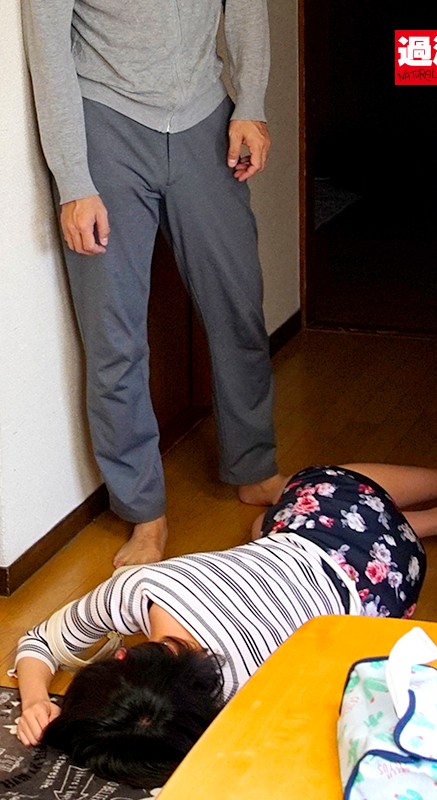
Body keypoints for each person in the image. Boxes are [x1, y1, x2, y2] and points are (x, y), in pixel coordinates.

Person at [15, 462, 437, 788]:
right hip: (338, 535)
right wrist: (39, 696)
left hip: (388, 589)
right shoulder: (141, 584)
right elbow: (40, 642)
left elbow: (38, 643)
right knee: (309, 490)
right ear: (121, 655)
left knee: (266, 526)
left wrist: (34, 699)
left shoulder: (244, 697)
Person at [21, 0, 284, 569]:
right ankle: (144, 513)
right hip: (105, 128)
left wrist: (251, 104)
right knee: (114, 336)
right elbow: (49, 53)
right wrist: (74, 181)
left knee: (238, 307)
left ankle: (254, 468)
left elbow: (244, 8)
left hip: (205, 115)